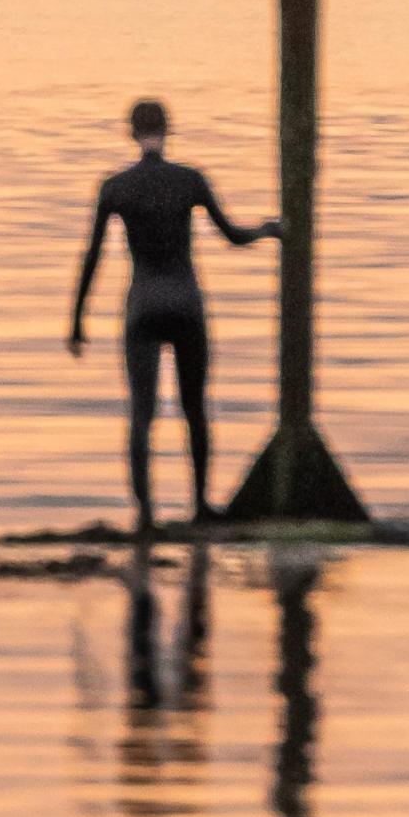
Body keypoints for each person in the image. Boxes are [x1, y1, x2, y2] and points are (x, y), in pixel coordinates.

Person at [69, 98, 279, 530]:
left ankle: (145, 516)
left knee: (142, 415)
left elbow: (92, 257)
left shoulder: (115, 187)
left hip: (142, 307)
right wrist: (269, 230)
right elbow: (234, 237)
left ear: (130, 132)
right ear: (169, 129)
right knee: (195, 409)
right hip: (186, 305)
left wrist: (76, 321)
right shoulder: (190, 181)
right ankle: (200, 506)